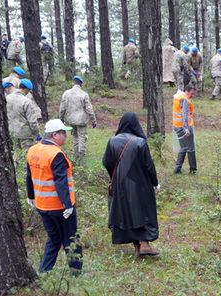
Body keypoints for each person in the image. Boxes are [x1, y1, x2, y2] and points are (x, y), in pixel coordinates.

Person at [26, 119, 83, 273]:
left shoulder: (33, 150)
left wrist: (30, 196)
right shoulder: (56, 154)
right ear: (55, 135)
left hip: (42, 206)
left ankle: (44, 271)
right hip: (59, 207)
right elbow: (61, 182)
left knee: (53, 239)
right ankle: (76, 272)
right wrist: (68, 205)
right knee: (71, 239)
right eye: (63, 133)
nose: (66, 136)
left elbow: (29, 176)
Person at [103, 113, 160, 257]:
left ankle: (137, 247)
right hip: (141, 185)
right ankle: (145, 244)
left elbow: (107, 162)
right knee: (144, 213)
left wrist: (115, 178)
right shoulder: (140, 142)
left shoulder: (112, 141)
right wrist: (155, 182)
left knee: (126, 214)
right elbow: (149, 165)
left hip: (119, 186)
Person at [59, 76, 97, 161]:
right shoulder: (84, 94)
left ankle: (76, 155)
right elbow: (89, 109)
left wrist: (60, 118)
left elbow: (62, 108)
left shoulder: (66, 93)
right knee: (82, 137)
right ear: (81, 84)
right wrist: (93, 120)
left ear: (73, 82)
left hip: (70, 120)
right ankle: (81, 156)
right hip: (81, 120)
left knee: (74, 136)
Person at [6, 79, 40, 150]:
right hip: (25, 135)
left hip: (11, 133)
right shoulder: (27, 101)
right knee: (27, 155)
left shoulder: (7, 98)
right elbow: (32, 121)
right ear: (27, 89)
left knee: (15, 156)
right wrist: (36, 134)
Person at [172, 85, 197, 174]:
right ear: (186, 91)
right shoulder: (185, 99)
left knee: (183, 147)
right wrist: (186, 128)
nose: (192, 95)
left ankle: (177, 169)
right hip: (184, 127)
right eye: (191, 93)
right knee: (191, 148)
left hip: (177, 126)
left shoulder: (177, 97)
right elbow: (184, 114)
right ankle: (193, 169)